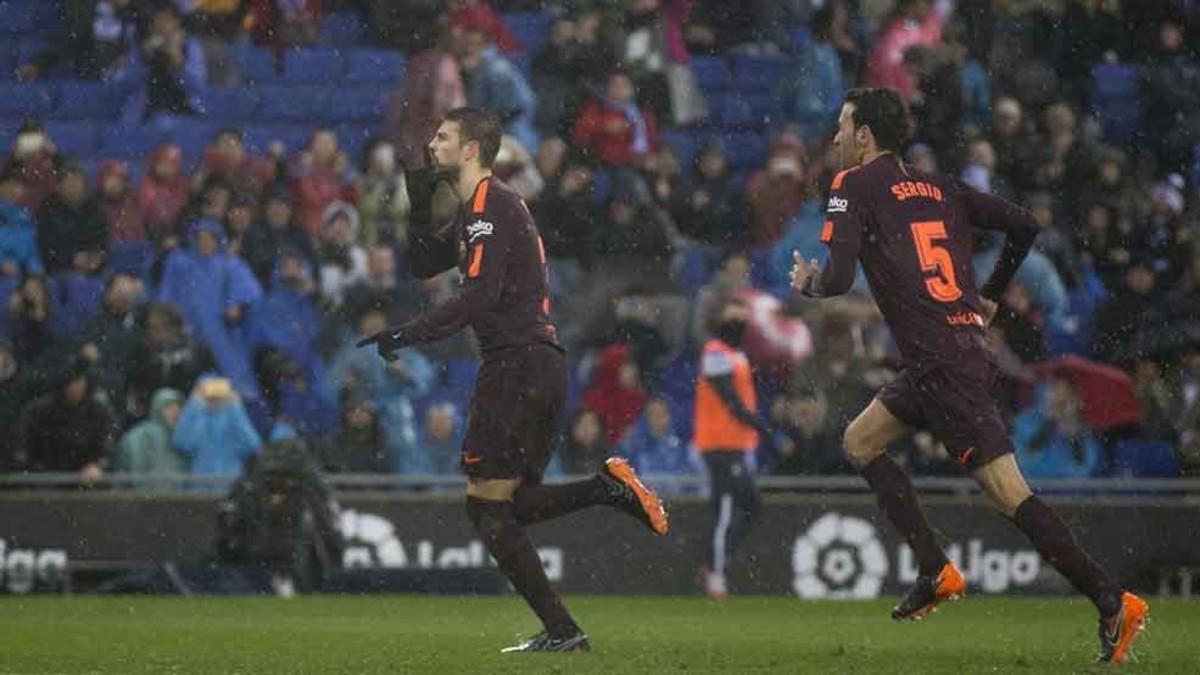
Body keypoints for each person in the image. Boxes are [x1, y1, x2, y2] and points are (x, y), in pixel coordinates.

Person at [788, 87, 1147, 664]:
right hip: (955, 351)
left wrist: (806, 280)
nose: (833, 138)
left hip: (942, 364)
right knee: (860, 440)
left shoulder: (852, 186)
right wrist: (990, 296)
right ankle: (934, 569)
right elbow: (1025, 225)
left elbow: (835, 279)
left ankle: (1111, 601)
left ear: (864, 135)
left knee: (1009, 493)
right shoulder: (938, 186)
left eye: (841, 126)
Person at [357, 107, 668, 653]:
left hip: (516, 364)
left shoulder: (491, 205)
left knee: (486, 506)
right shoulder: (481, 208)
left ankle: (566, 619)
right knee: (508, 505)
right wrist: (418, 202)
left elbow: (478, 296)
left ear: (472, 147)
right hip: (535, 363)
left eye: (443, 137)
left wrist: (407, 334)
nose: (433, 145)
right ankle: (600, 511)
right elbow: (421, 265)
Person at [693, 299, 772, 599]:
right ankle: (715, 573)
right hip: (719, 442)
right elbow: (729, 398)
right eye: (733, 313)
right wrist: (761, 426)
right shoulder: (715, 352)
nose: (739, 319)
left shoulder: (735, 353)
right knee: (725, 508)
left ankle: (714, 561)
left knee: (748, 505)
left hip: (735, 443)